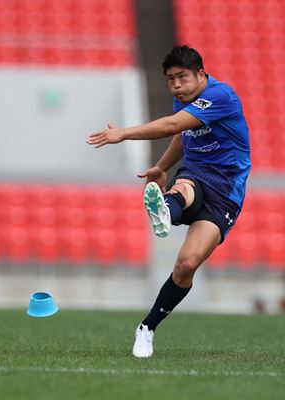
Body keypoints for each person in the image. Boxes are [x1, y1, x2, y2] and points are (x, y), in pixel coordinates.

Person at [87, 45, 251, 358]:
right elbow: (182, 134)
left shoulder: (221, 96)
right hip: (196, 172)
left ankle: (146, 327)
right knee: (185, 188)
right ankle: (166, 207)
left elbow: (174, 125)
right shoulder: (186, 98)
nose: (176, 85)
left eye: (182, 77)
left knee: (186, 265)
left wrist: (124, 134)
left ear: (201, 75)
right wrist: (162, 167)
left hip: (227, 189)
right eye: (170, 79)